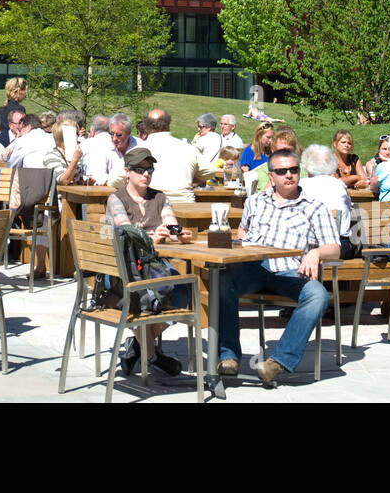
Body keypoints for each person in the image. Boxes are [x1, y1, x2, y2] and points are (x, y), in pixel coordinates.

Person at [217, 148, 339, 386]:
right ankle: (229, 356)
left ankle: (278, 361)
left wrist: (316, 252)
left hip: (290, 270)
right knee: (220, 281)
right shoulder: (254, 202)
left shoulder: (314, 207)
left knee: (318, 295)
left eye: (294, 169)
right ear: (271, 176)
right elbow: (242, 233)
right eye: (282, 171)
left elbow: (334, 248)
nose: (289, 175)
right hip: (253, 266)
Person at [104, 145, 194, 377]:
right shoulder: (116, 199)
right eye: (140, 169)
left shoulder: (159, 197)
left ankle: (139, 344)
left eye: (150, 169)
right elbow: (127, 235)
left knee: (185, 291)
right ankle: (152, 354)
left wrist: (178, 234)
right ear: (127, 171)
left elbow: (170, 222)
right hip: (122, 272)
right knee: (156, 294)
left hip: (153, 270)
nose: (146, 174)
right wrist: (153, 238)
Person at [299, 144, 356, 257]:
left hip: (314, 245)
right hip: (342, 245)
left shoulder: (302, 185)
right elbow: (348, 209)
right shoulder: (339, 184)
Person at [142, 108, 205, 205]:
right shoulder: (188, 148)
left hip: (152, 207)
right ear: (168, 123)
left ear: (146, 126)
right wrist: (190, 177)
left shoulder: (139, 149)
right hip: (185, 204)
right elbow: (209, 171)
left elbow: (117, 179)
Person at [69, 113, 136, 186]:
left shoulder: (139, 146)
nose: (114, 138)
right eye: (111, 133)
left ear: (128, 132)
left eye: (119, 135)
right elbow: (96, 176)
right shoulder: (100, 146)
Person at [0, 76, 27, 149]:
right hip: (14, 144)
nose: (26, 95)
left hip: (2, 142)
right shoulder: (19, 109)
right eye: (25, 91)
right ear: (19, 91)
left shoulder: (2, 109)